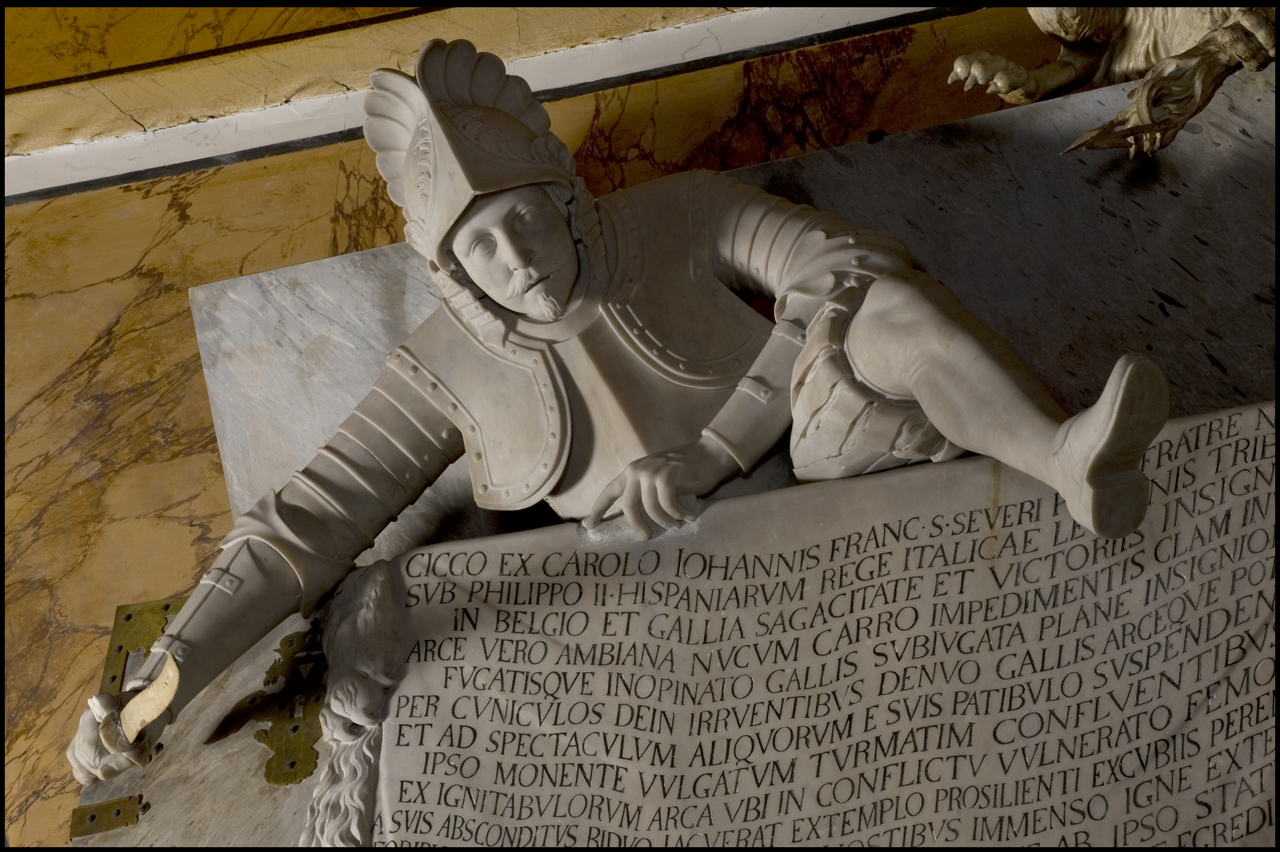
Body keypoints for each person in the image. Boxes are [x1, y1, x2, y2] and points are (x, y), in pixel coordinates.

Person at [68, 39, 1167, 783]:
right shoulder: (438, 366)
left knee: (879, 309)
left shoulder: (676, 214)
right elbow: (302, 526)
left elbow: (840, 265)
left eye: (527, 222)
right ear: (450, 272)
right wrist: (155, 692)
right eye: (480, 249)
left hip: (826, 461)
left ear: (564, 198)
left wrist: (716, 443)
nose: (517, 259)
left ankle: (1062, 458)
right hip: (651, 597)